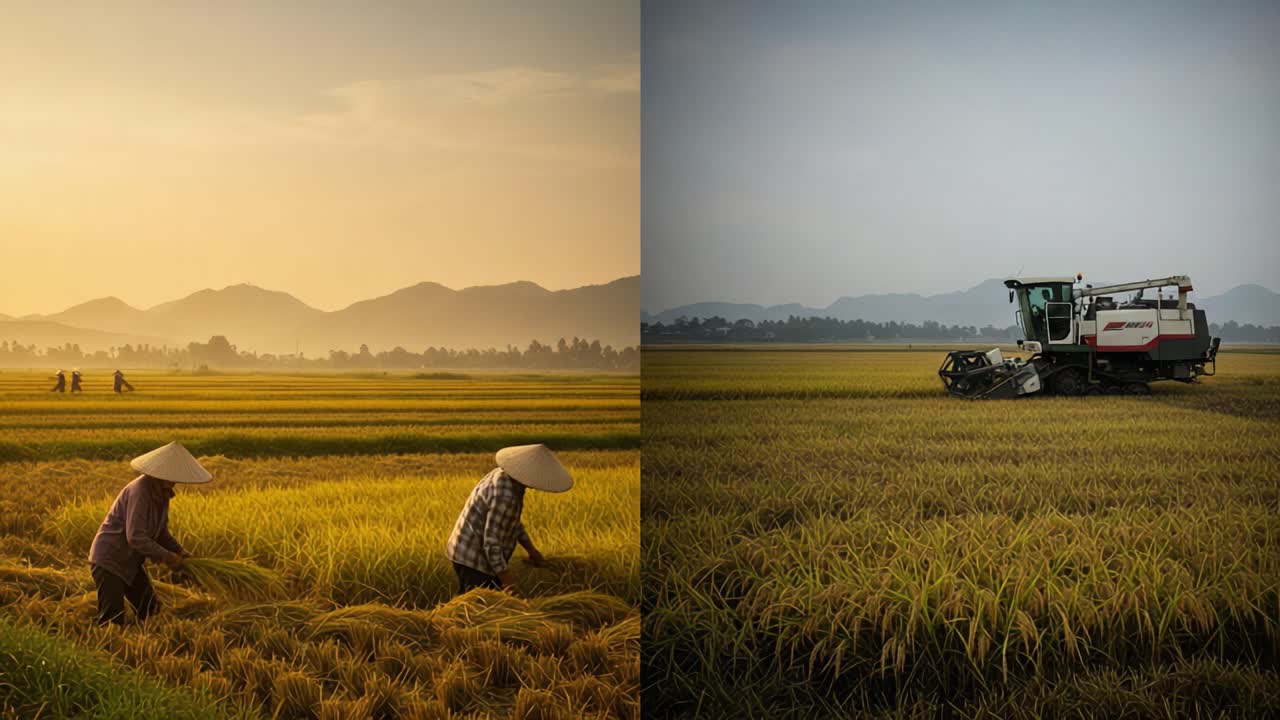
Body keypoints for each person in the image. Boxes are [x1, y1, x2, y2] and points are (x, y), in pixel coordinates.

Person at [88, 442, 210, 625]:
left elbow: (161, 533)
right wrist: (167, 557)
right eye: (171, 476)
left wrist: (181, 552)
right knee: (112, 619)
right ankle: (107, 648)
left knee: (150, 611)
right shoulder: (140, 491)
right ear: (160, 473)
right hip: (110, 559)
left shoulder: (163, 493)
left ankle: (139, 640)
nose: (174, 481)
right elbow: (135, 537)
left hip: (131, 563)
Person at [445, 444, 572, 595]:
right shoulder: (505, 495)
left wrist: (531, 550)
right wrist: (507, 580)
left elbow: (511, 523)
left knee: (483, 606)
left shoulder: (506, 476)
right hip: (473, 559)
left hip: (469, 552)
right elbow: (491, 542)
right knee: (480, 610)